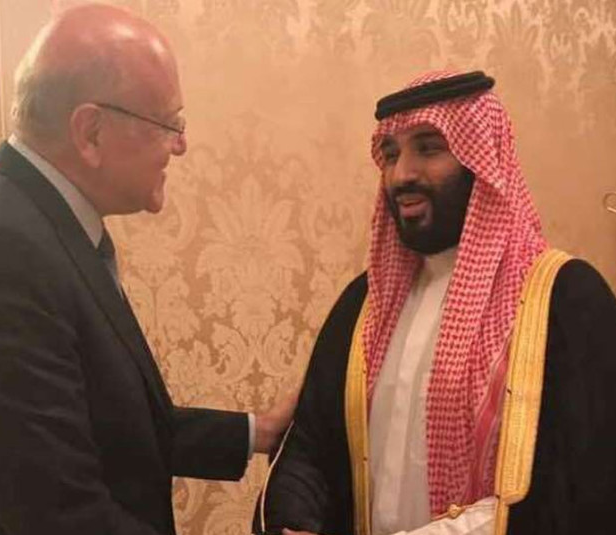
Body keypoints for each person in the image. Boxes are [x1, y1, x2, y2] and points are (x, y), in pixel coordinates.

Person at [0, 4, 295, 535]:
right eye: (169, 124)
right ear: (91, 132)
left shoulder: (31, 224)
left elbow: (114, 429)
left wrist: (260, 432)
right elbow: (60, 515)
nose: (181, 145)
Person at [253, 70, 616, 535]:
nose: (402, 174)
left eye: (429, 148)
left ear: (481, 161)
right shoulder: (364, 304)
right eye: (391, 154)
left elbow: (578, 481)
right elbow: (309, 445)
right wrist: (293, 521)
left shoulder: (564, 299)